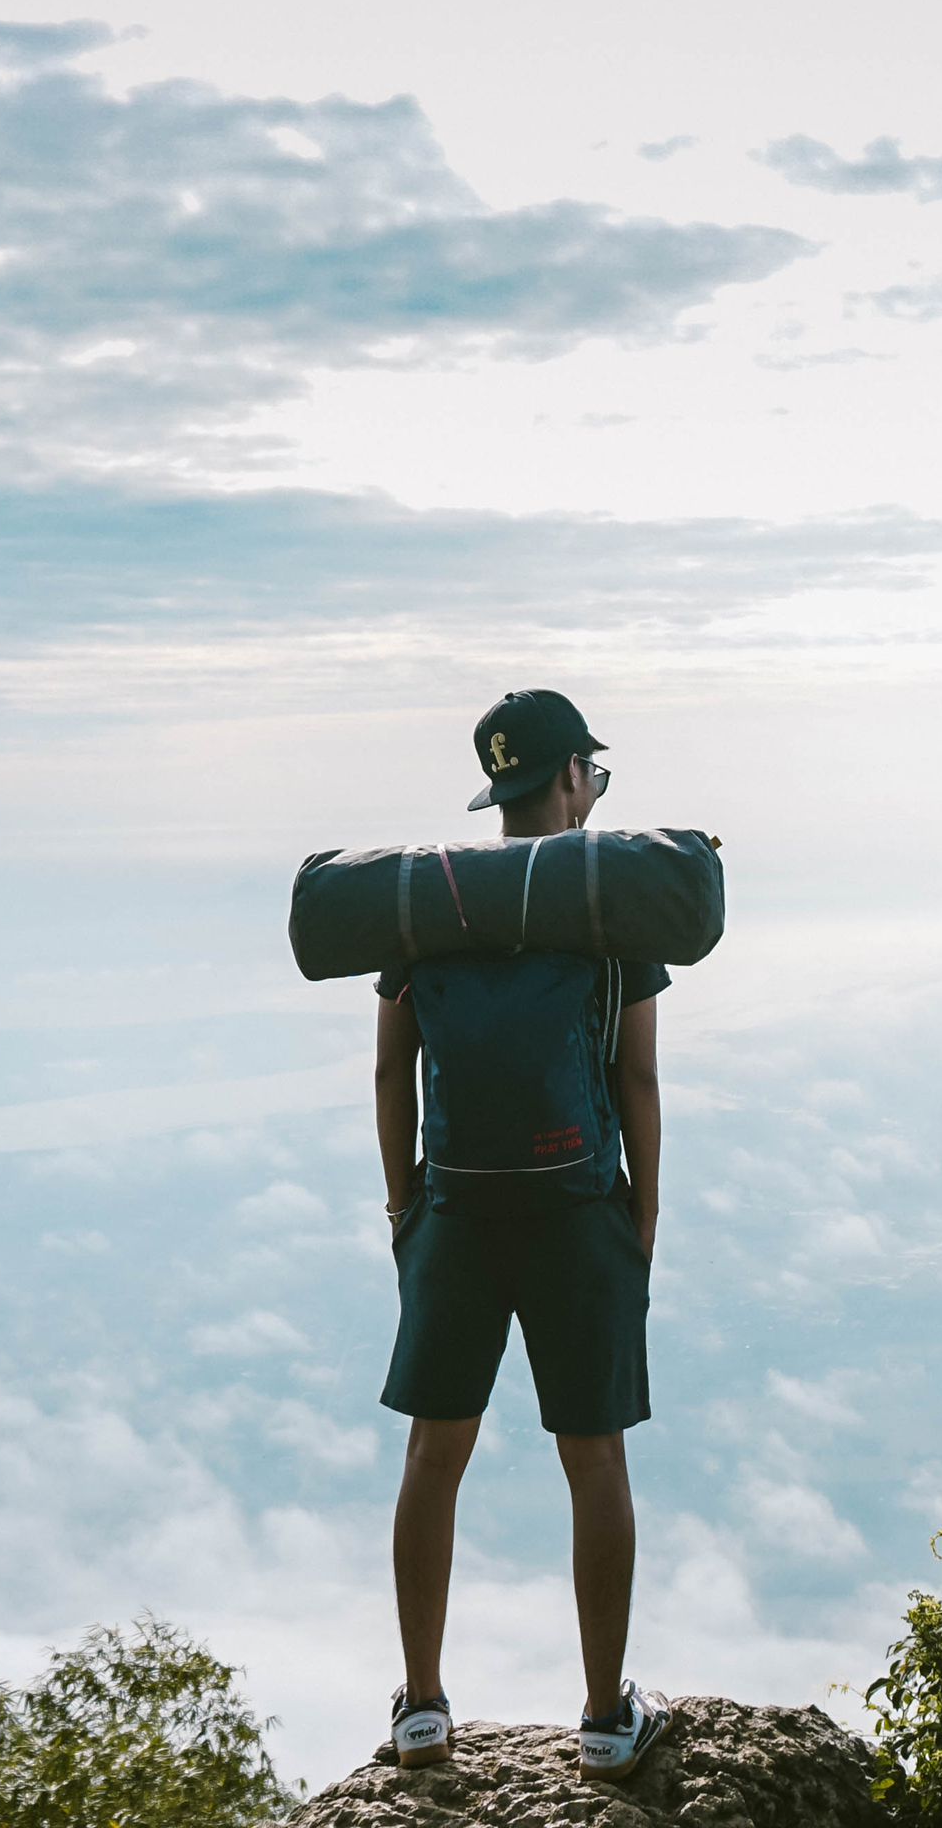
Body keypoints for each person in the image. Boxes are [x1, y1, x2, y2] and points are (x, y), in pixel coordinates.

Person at [374, 687, 673, 1782]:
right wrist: (639, 1217)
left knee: (432, 1455)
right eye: (588, 770)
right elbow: (634, 1075)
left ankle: (421, 1708)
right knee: (593, 1462)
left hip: (455, 1211)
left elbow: (390, 1063)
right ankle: (603, 1719)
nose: (591, 787)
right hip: (575, 1212)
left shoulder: (429, 901)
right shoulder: (609, 903)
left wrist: (407, 1205)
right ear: (566, 778)